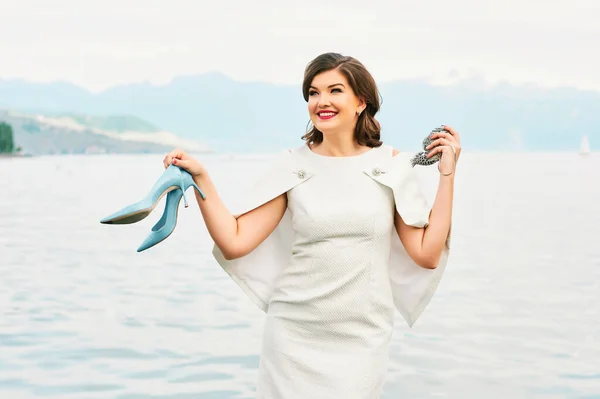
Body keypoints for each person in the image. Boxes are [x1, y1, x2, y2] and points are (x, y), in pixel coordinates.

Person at [163, 52, 461, 398]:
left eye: (335, 91)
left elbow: (426, 254)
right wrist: (202, 178)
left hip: (362, 337)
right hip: (293, 332)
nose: (322, 101)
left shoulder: (391, 164)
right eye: (313, 93)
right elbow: (235, 240)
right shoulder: (292, 165)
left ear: (360, 102)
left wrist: (447, 176)